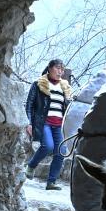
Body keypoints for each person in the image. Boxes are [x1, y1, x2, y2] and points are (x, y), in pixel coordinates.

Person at [24, 58, 72, 190]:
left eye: (62, 69)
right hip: (44, 122)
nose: (60, 71)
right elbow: (29, 104)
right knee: (48, 146)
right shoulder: (39, 84)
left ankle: (51, 182)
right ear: (50, 68)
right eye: (57, 68)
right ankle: (31, 165)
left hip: (59, 125)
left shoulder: (65, 87)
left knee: (61, 151)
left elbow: (67, 109)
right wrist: (29, 123)